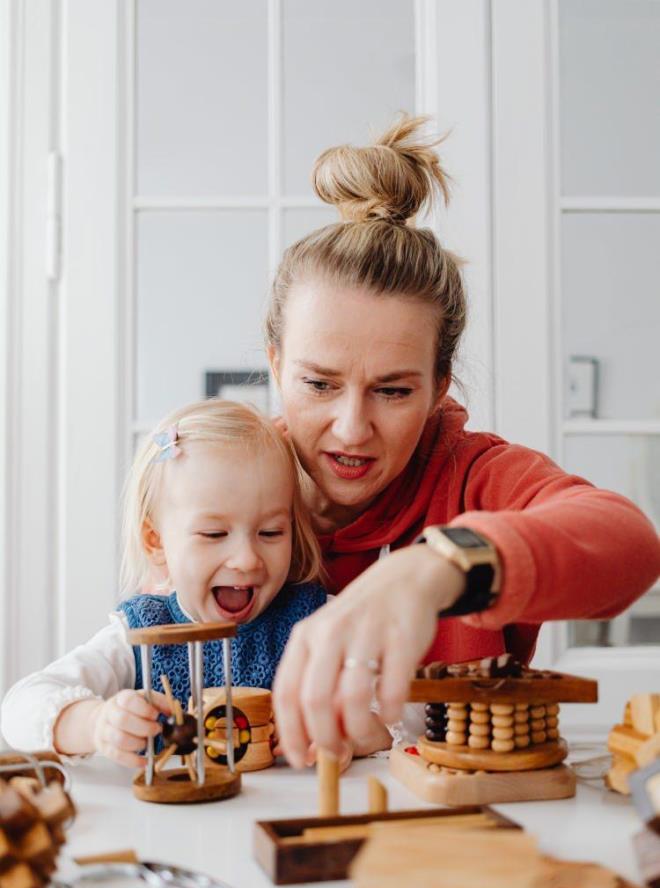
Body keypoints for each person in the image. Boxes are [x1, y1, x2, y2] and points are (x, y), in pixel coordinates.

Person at [266, 114, 660, 769]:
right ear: (278, 365)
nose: (352, 428)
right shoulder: (231, 479)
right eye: (319, 384)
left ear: (438, 381)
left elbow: (632, 546)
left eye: (393, 391)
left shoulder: (474, 475)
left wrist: (437, 568)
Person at [1, 400, 390, 769]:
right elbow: (20, 708)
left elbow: (400, 716)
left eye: (270, 532)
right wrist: (94, 723)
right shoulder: (140, 635)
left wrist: (346, 733)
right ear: (157, 542)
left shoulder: (316, 621)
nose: (247, 559)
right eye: (213, 533)